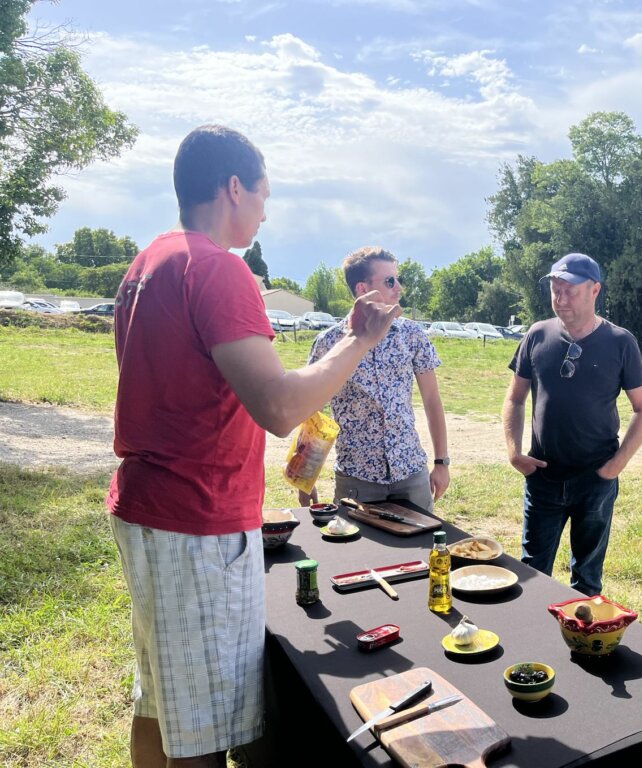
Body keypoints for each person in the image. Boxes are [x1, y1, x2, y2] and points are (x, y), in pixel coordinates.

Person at [106, 124, 400, 768]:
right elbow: (280, 407)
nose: (267, 209)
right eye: (265, 193)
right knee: (203, 729)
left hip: (151, 509)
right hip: (194, 517)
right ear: (234, 187)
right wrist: (361, 342)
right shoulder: (220, 268)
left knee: (162, 700)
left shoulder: (151, 260)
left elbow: (199, 375)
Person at [502, 252, 642, 596]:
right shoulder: (537, 335)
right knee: (531, 571)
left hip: (594, 479)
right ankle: (530, 641)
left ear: (595, 290)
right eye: (556, 289)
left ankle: (583, 642)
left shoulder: (620, 342)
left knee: (586, 578)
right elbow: (515, 398)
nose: (561, 298)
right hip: (543, 475)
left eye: (571, 290)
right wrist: (514, 453)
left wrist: (615, 466)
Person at [299, 247, 449, 512]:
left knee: (420, 551)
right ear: (362, 288)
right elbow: (312, 412)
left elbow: (432, 400)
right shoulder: (329, 343)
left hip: (410, 472)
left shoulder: (412, 335)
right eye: (389, 281)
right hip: (358, 478)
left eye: (397, 278)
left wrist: (441, 462)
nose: (399, 287)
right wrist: (304, 477)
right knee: (358, 553)